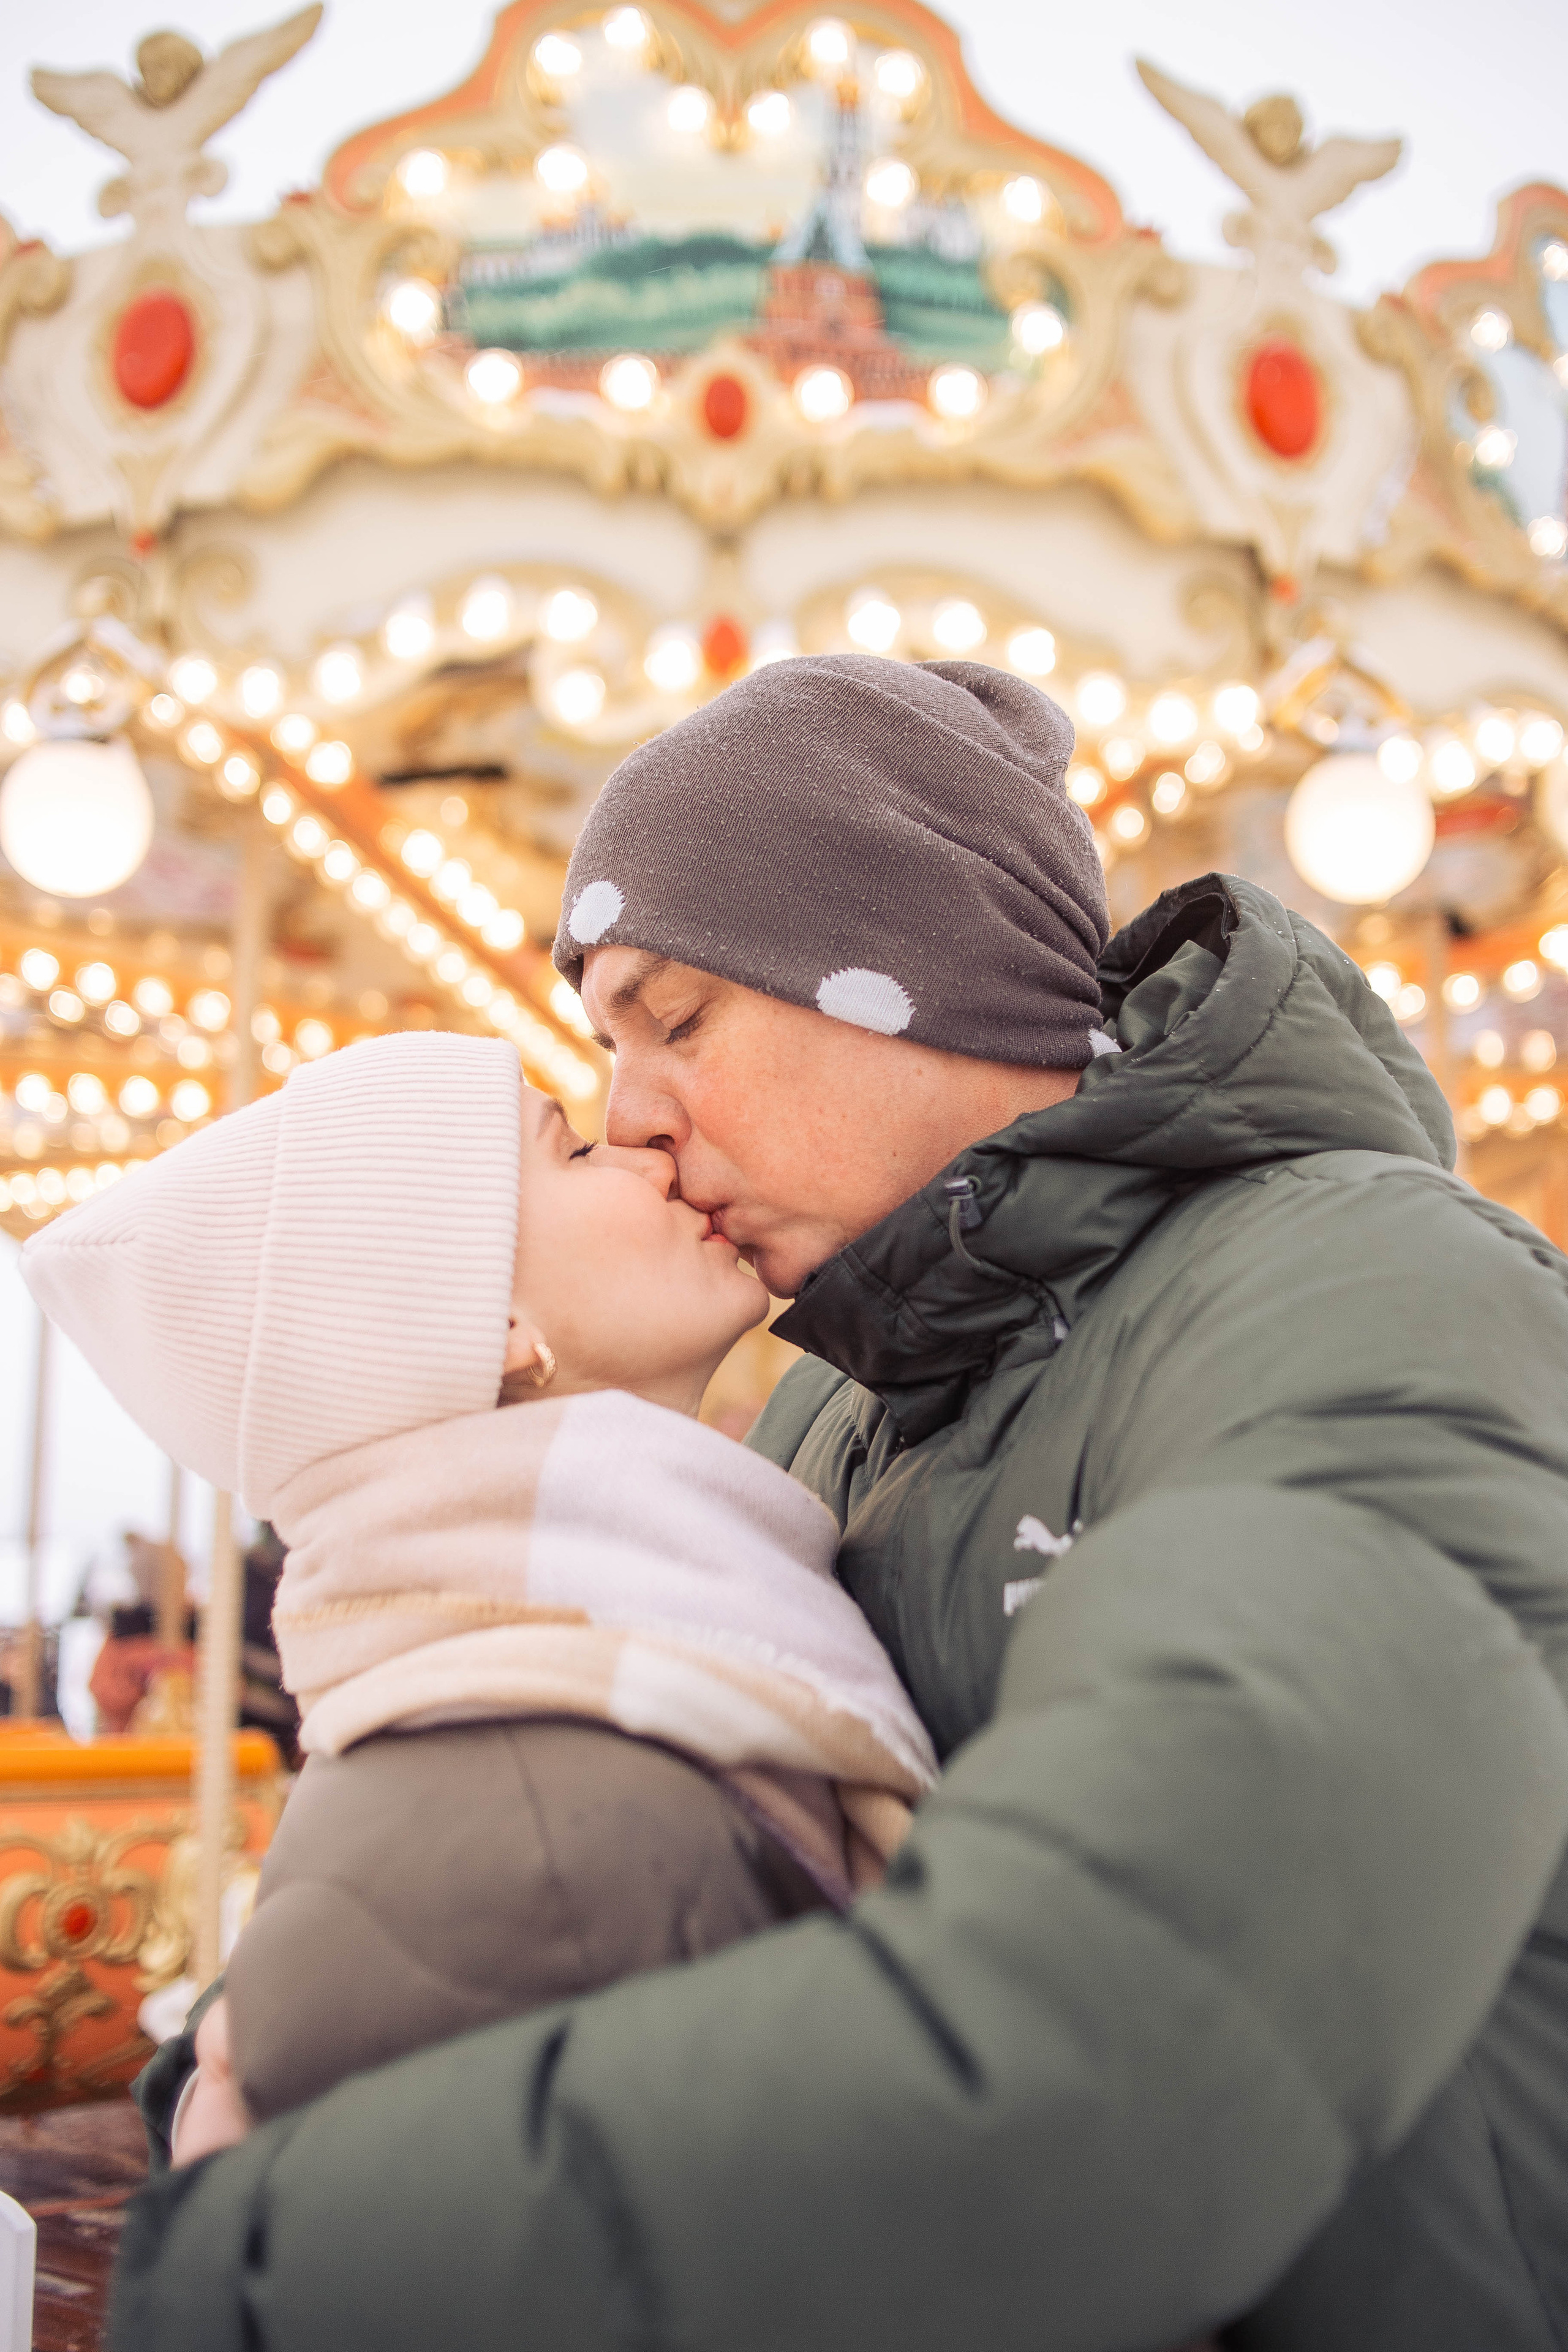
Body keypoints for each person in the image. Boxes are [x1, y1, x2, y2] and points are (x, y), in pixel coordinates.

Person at [99, 657, 1568, 2351]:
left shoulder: (1367, 1301)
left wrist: (267, 2255)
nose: (631, 1119)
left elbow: (1119, 2049)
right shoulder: (836, 1408)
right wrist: (242, 2065)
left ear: (909, 974)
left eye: (676, 1022)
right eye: (608, 1045)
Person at [20, 1030, 933, 2164]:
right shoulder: (546, 1812)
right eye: (573, 1152)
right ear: (492, 1327)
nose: (645, 1153)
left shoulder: (604, 1691)